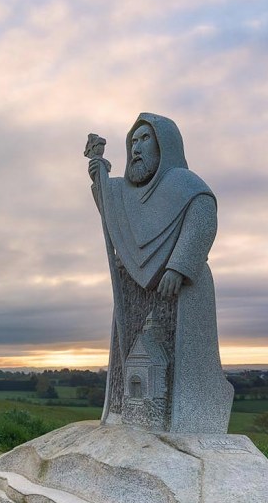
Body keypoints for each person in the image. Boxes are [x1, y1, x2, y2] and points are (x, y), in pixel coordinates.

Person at [87, 113, 234, 433]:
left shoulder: (186, 185)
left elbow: (202, 220)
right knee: (135, 359)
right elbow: (114, 215)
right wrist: (99, 179)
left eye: (145, 139)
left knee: (175, 362)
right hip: (133, 291)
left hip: (179, 293)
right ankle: (127, 412)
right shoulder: (125, 190)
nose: (136, 148)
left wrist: (178, 267)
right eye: (133, 141)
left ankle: (182, 419)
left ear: (164, 144)